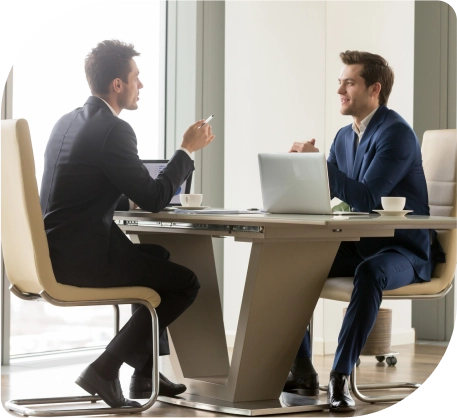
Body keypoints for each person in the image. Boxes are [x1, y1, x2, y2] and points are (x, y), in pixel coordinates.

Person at [39, 39, 215, 408]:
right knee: (186, 284)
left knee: (158, 257)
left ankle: (144, 374)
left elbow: (80, 189)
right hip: (80, 261)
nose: (142, 85)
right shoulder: (114, 130)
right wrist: (186, 151)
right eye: (136, 78)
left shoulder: (66, 121)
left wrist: (128, 193)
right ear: (118, 84)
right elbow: (154, 199)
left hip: (53, 252)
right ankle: (104, 368)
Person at [285, 50, 441, 412]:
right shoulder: (343, 138)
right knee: (292, 263)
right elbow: (331, 193)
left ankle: (339, 377)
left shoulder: (397, 134)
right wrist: (300, 173)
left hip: (403, 251)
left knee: (369, 272)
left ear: (375, 89)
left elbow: (369, 196)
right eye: (340, 81)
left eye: (349, 82)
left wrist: (318, 167)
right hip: (361, 243)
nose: (340, 88)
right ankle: (302, 368)